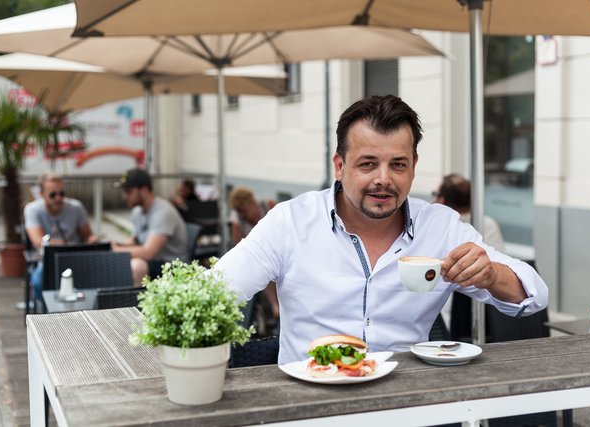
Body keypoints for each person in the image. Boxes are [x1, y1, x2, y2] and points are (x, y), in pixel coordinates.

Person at [215, 95, 548, 363]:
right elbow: (216, 292)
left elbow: (534, 295)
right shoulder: (290, 222)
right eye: (368, 163)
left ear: (414, 167)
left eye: (398, 164)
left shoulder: (442, 226)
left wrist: (490, 274)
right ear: (339, 166)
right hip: (309, 408)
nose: (384, 179)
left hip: (406, 409)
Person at [433, 173, 507, 337]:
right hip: (492, 311)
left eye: (436, 194)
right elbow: (502, 260)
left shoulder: (443, 227)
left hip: (450, 313)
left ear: (442, 200)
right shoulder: (487, 223)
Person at [24, 172, 98, 300]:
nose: (58, 198)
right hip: (49, 261)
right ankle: (42, 314)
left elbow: (88, 235)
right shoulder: (33, 209)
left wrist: (92, 240)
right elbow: (37, 242)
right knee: (38, 281)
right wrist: (61, 245)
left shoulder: (76, 207)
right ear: (41, 194)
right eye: (53, 194)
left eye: (62, 193)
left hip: (77, 258)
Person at [112, 168, 189, 286]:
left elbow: (148, 252)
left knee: (136, 266)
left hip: (174, 267)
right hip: (155, 262)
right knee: (120, 263)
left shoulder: (163, 212)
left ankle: (138, 303)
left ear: (144, 190)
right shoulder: (138, 211)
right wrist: (113, 245)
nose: (124, 196)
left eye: (128, 191)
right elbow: (135, 240)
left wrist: (116, 251)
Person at [228, 187, 279, 333]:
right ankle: (276, 308)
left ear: (251, 204)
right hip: (258, 260)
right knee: (264, 269)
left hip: (277, 251)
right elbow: (239, 250)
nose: (243, 215)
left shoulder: (269, 206)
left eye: (243, 211)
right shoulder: (238, 221)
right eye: (239, 212)